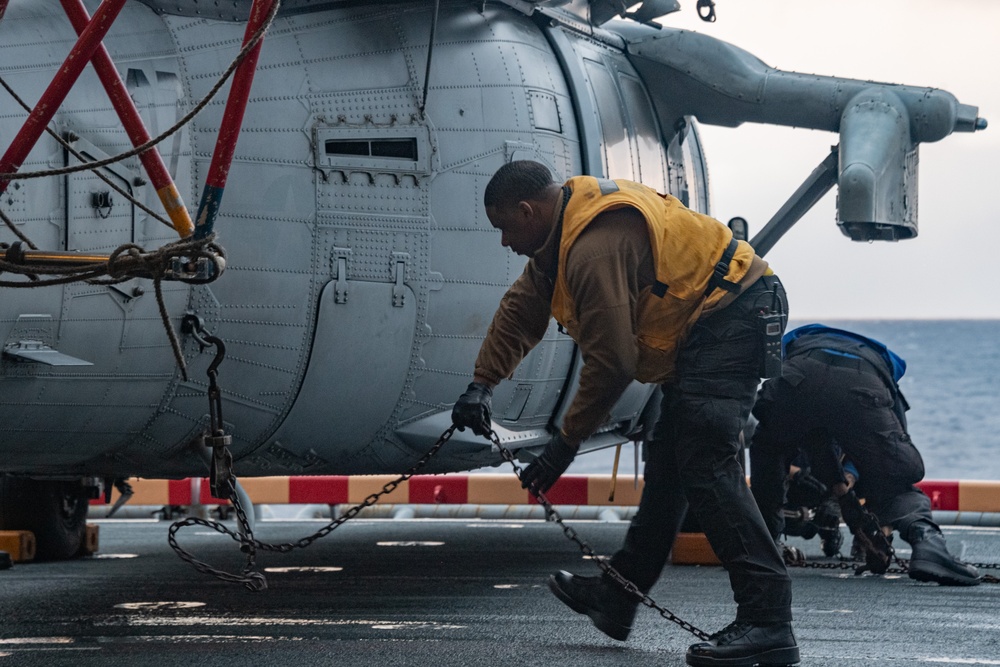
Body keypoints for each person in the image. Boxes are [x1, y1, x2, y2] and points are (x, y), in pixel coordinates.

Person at [451, 161, 799, 667]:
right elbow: (522, 309)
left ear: (528, 211)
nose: (505, 242)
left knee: (706, 462)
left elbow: (614, 362)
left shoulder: (593, 248)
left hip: (736, 313)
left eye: (505, 228)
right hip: (709, 324)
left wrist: (563, 446)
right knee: (670, 464)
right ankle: (618, 597)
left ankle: (769, 622)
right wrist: (480, 385)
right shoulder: (566, 230)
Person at [749, 323, 981, 586]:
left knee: (767, 448)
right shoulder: (883, 366)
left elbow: (813, 429)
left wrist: (841, 485)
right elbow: (895, 464)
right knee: (899, 474)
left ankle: (762, 547)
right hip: (862, 383)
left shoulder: (798, 340)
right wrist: (851, 487)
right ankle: (928, 543)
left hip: (797, 377)